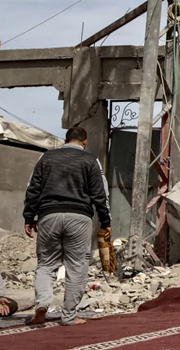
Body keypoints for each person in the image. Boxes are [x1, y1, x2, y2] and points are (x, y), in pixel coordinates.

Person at [22, 125, 112, 327]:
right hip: (79, 217)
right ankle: (69, 316)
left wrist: (29, 217)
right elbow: (100, 194)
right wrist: (106, 221)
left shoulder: (45, 158)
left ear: (66, 139)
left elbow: (32, 189)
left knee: (46, 264)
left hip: (48, 215)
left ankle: (42, 305)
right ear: (84, 142)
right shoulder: (90, 160)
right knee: (77, 265)